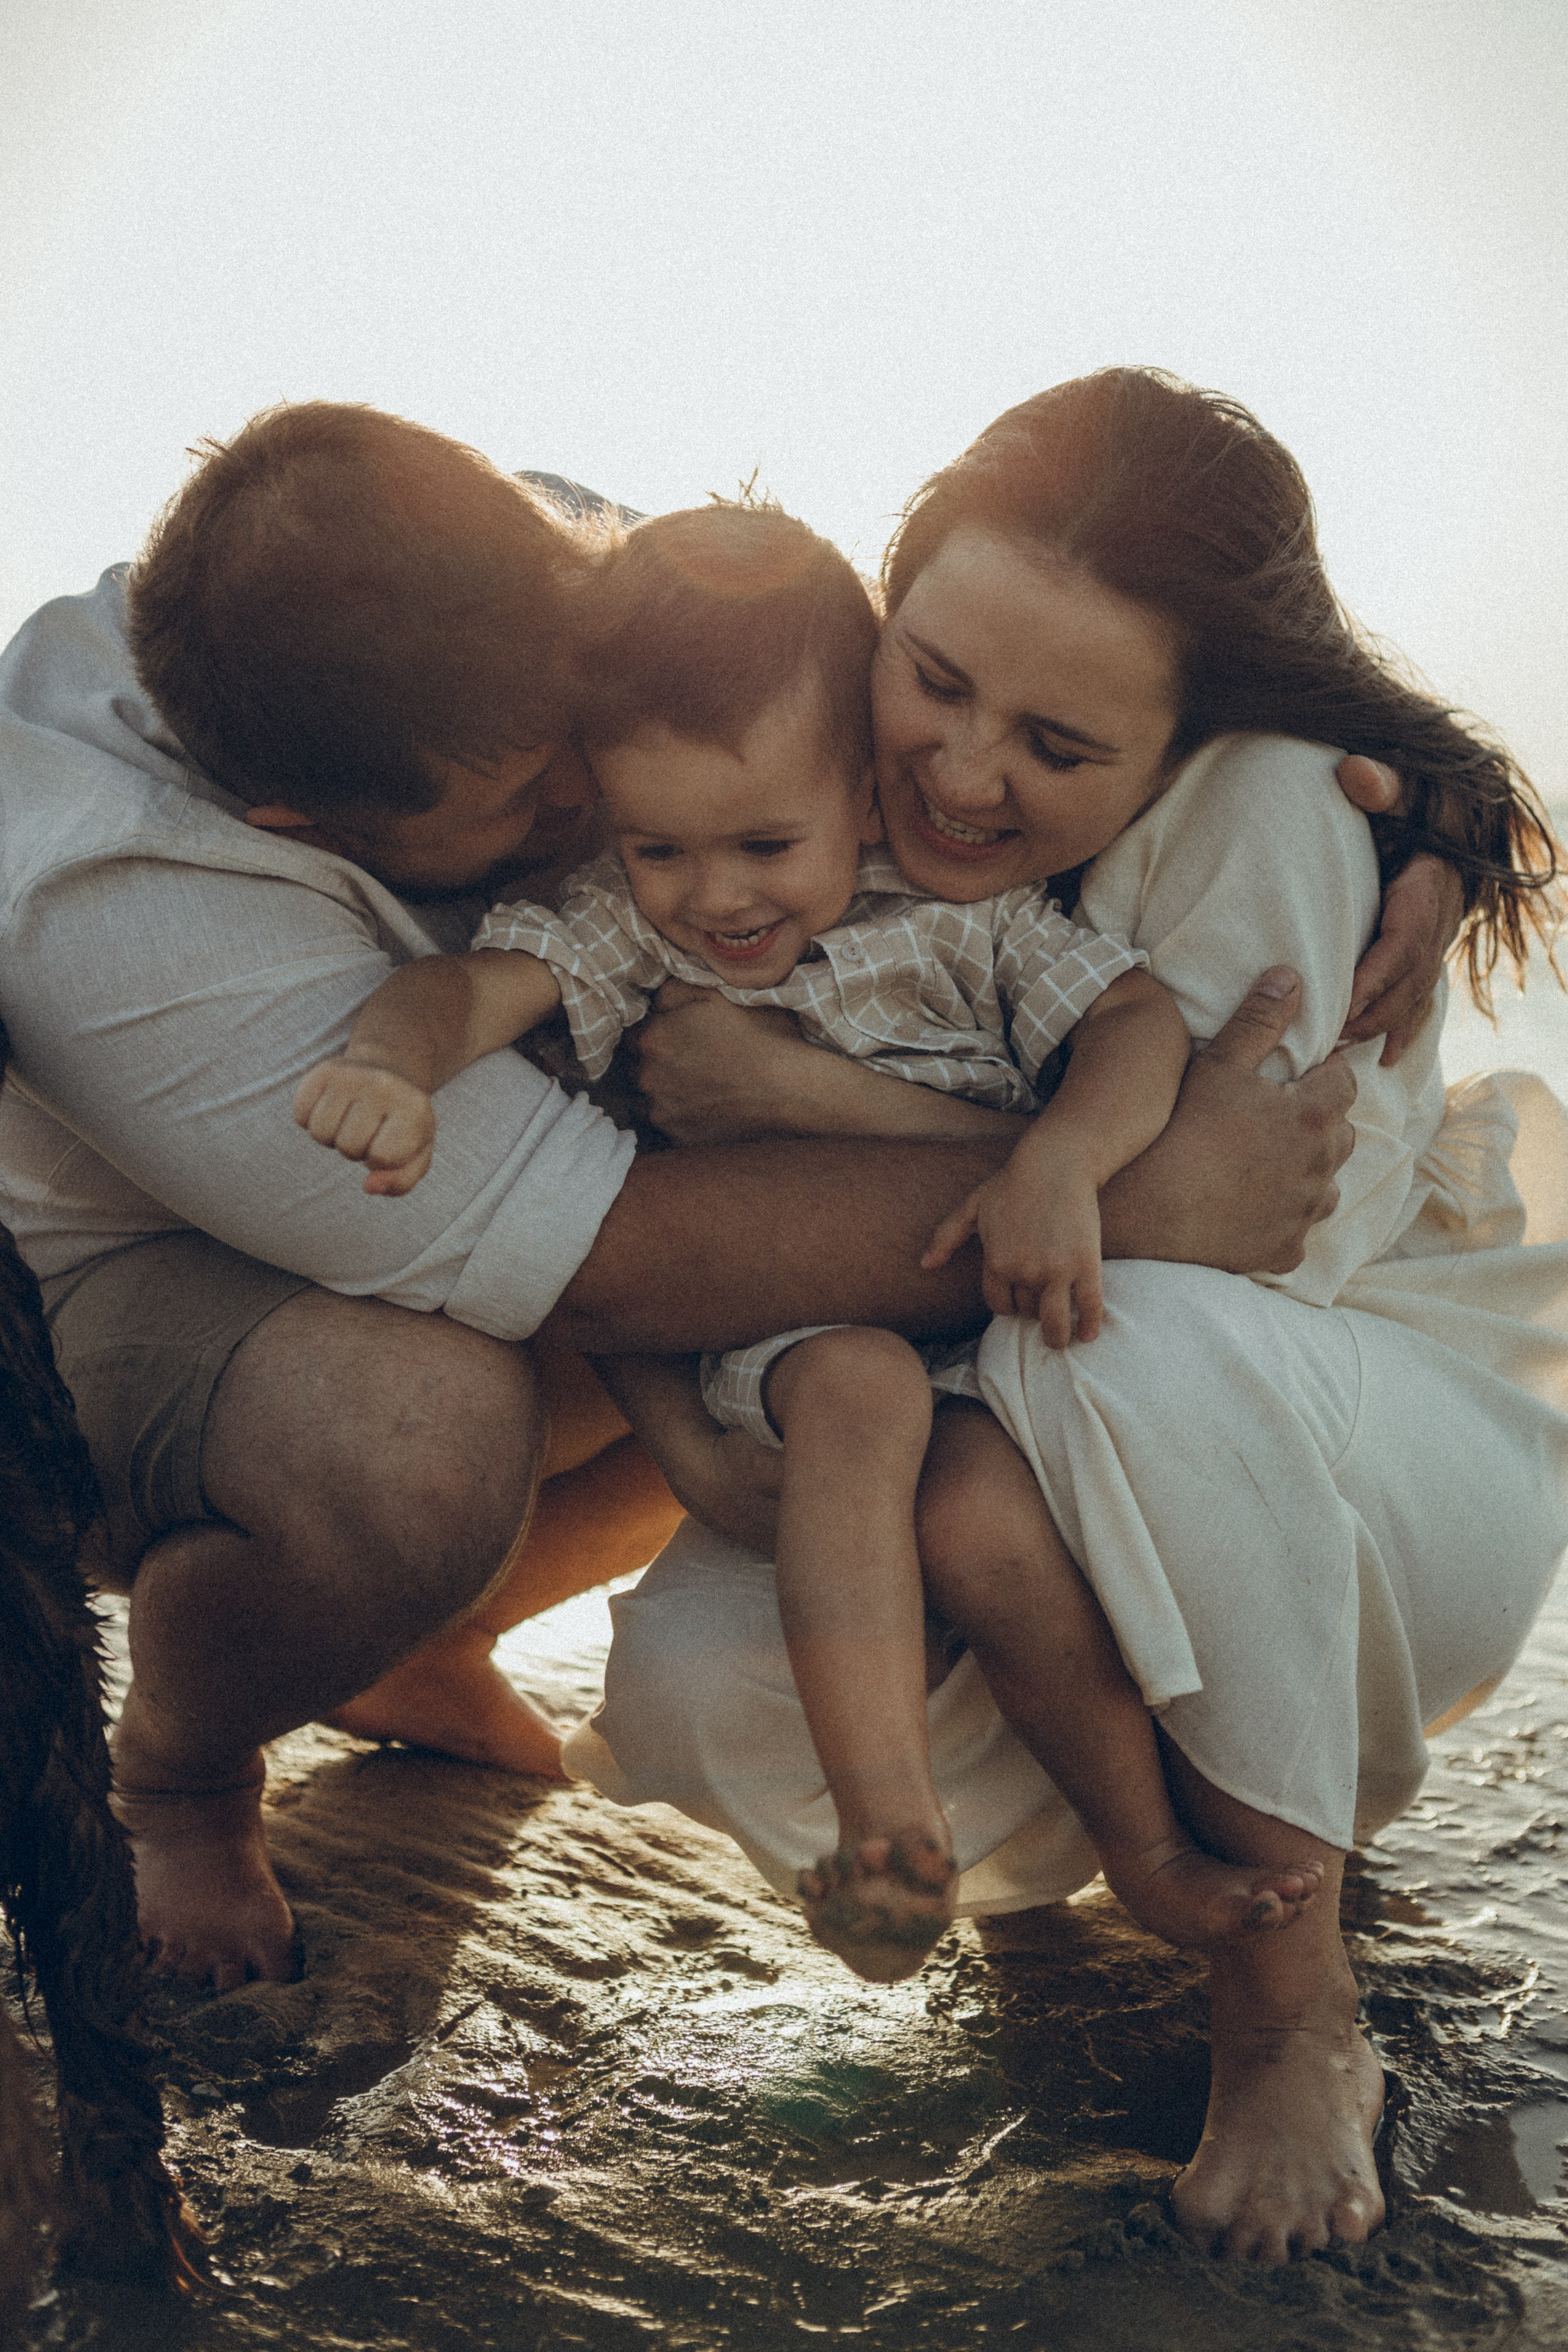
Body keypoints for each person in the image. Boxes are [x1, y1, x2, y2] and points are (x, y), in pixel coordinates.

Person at [0, 396, 1427, 1999]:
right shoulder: (103, 894)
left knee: (832, 1361)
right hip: (117, 1315)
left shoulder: (559, 587)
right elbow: (612, 1263)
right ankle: (184, 1767)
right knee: (421, 1435)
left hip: (506, 1208)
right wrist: (1138, 1200)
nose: (598, 825)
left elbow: (889, 684)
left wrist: (1425, 818)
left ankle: (422, 1644)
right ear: (311, 832)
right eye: (541, 807)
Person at [560, 368, 1568, 2264]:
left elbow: (1248, 1247)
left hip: (1356, 1451)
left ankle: (1295, 2008)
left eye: (1056, 741)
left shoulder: (1273, 799)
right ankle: (1084, 1879)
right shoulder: (799, 782)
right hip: (1009, 1410)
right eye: (933, 678)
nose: (960, 774)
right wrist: (705, 1433)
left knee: (1129, 1337)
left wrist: (813, 1116)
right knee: (706, 1680)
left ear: (1194, 724)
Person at [293, 500, 1317, 1979]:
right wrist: (391, 1065)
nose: (715, 897)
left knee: (987, 1524)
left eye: (766, 844)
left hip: (995, 1341)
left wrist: (1064, 1161)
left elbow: (1135, 1022)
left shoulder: (966, 920)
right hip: (790, 1342)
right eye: (661, 848)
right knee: (861, 1392)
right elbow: (471, 997)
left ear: (857, 788)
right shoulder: (623, 928)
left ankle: (1144, 1851)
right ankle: (882, 1819)